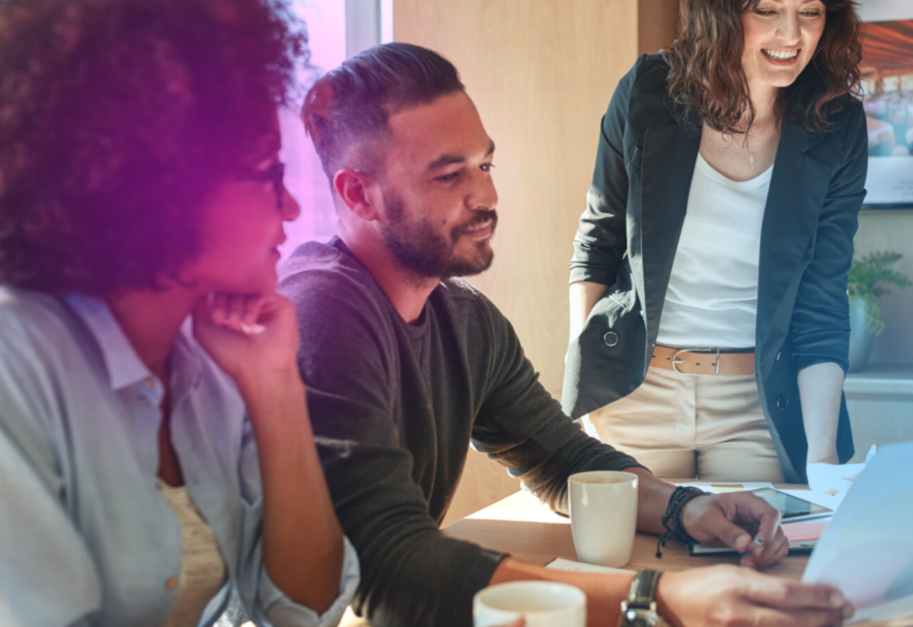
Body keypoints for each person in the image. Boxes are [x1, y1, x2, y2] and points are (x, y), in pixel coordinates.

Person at [283, 42, 853, 627]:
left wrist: (689, 507)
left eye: (485, 165)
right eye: (450, 175)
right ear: (357, 194)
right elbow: (389, 570)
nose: (487, 198)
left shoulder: (465, 320)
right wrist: (657, 600)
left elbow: (563, 458)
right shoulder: (321, 312)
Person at [0, 0, 360, 625]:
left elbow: (303, 611)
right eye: (265, 174)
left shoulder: (214, 362)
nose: (293, 209)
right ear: (157, 185)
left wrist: (274, 387)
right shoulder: (16, 363)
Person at [563, 0, 867, 491]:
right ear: (721, 12)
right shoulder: (649, 90)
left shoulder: (838, 123)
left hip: (756, 403)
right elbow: (598, 239)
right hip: (637, 392)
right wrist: (584, 379)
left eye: (810, 11)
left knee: (755, 554)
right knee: (630, 558)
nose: (792, 34)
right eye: (767, 9)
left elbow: (822, 295)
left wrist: (823, 458)